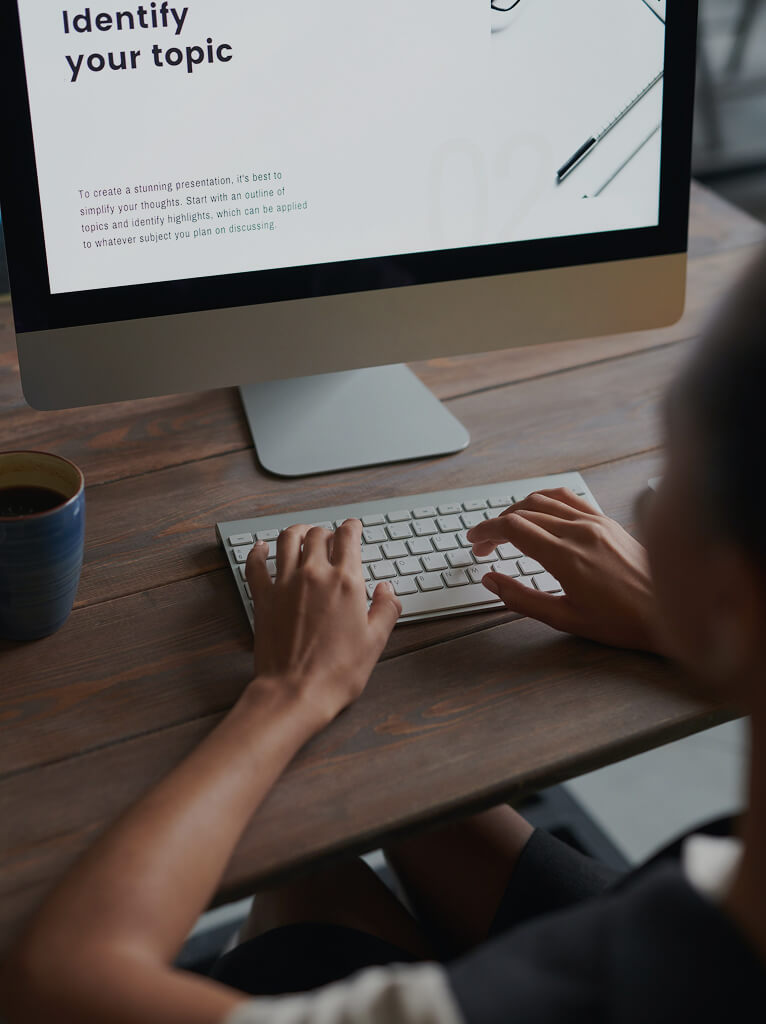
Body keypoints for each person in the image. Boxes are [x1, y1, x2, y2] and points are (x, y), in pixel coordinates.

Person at [3, 247, 766, 1024]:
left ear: (725, 586)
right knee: (412, 798)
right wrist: (676, 624)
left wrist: (288, 694)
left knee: (322, 834)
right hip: (667, 918)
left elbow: (58, 985)